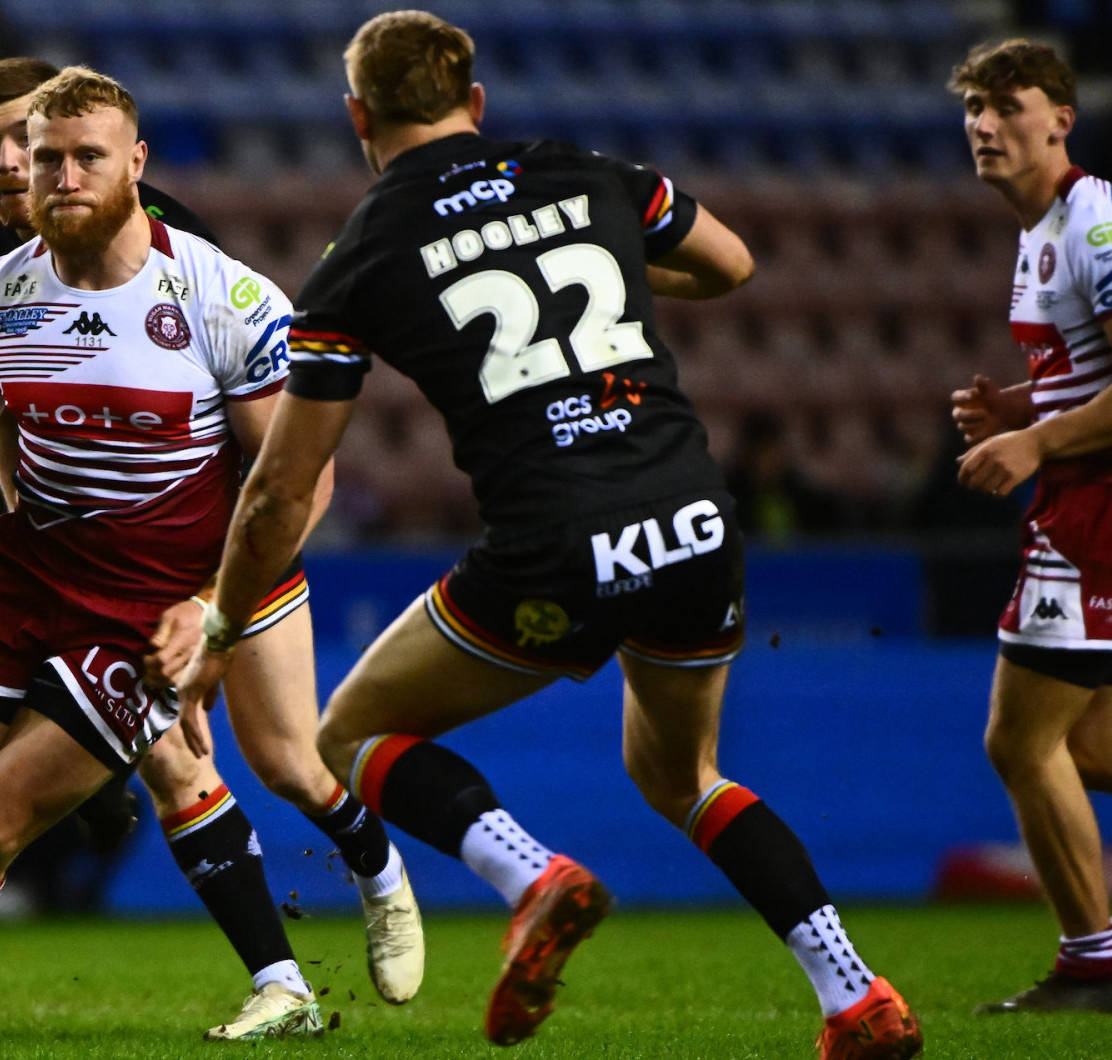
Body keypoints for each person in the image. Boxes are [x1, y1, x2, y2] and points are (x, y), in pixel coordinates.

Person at [170, 11, 922, 1057]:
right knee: (681, 775)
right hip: (695, 518)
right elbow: (734, 266)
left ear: (356, 117)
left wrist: (217, 628)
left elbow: (278, 490)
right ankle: (855, 995)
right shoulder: (588, 171)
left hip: (558, 541)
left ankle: (532, 875)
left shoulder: (363, 255)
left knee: (348, 736)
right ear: (474, 102)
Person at [0, 67, 411, 1058]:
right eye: (46, 160)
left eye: (87, 157)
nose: (62, 175)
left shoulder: (222, 296)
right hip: (26, 574)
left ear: (136, 164)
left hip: (146, 606)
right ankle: (83, 747)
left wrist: (211, 607)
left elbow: (303, 483)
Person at [0, 55, 422, 1034]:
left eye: (23, 139)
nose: (9, 164)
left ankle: (376, 866)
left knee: (289, 762)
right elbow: (5, 416)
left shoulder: (175, 254)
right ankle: (283, 985)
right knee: (171, 758)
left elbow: (280, 456)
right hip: (102, 568)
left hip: (223, 555)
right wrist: (48, 549)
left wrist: (208, 617)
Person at [949, 38, 1112, 1014]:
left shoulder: (1094, 222)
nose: (983, 124)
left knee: (1019, 740)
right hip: (1081, 494)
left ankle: (1092, 962)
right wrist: (1023, 404)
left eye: (1007, 106)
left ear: (1062, 118)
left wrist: (1037, 445)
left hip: (1091, 505)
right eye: (973, 108)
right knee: (1081, 746)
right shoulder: (1042, 229)